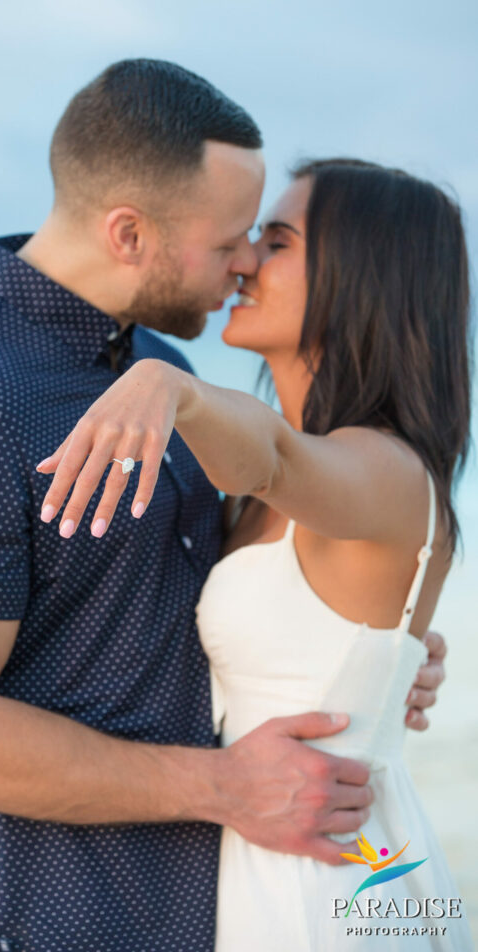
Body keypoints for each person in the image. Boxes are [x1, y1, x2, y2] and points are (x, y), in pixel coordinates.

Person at [0, 61, 446, 952]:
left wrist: (373, 648)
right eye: (234, 239)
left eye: (268, 239)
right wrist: (221, 786)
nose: (244, 262)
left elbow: (223, 587)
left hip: (239, 891)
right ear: (129, 233)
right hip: (65, 919)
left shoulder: (157, 369)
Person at [35, 157, 473, 949]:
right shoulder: (266, 496)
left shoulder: (385, 469)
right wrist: (397, 661)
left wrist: (168, 386)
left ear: (360, 274)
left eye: (276, 242)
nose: (242, 261)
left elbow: (271, 456)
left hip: (331, 882)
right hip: (261, 854)